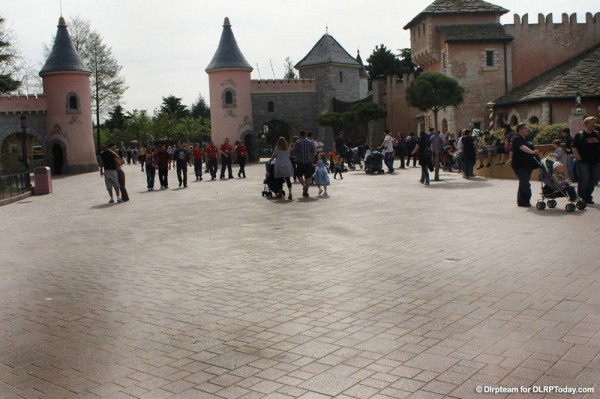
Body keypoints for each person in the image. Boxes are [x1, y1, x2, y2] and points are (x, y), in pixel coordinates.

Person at [572, 116, 600, 205]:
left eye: (594, 123)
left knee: (593, 181)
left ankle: (588, 197)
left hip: (595, 162)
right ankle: (581, 197)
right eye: (592, 124)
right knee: (584, 180)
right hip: (583, 161)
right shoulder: (579, 135)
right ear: (586, 124)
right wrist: (578, 157)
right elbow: (574, 147)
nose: (594, 125)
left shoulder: (598, 134)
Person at [511, 122, 539, 207]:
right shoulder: (516, 139)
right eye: (525, 128)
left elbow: (529, 146)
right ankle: (525, 200)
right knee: (525, 183)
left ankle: (522, 201)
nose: (527, 129)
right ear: (520, 130)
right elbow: (523, 148)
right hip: (519, 166)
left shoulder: (527, 139)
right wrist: (532, 152)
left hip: (528, 165)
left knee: (523, 183)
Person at [295, 130, 316, 197]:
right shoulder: (310, 142)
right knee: (308, 177)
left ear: (300, 135)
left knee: (299, 176)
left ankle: (304, 185)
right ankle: (306, 192)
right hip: (308, 162)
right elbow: (313, 152)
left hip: (300, 162)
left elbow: (295, 152)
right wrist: (312, 160)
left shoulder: (298, 142)